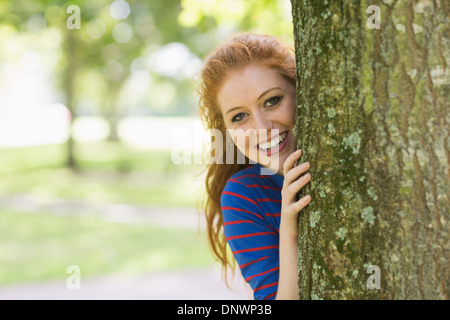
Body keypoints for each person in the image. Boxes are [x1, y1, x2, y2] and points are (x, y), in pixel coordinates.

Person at [196, 32, 312, 300]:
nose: (261, 129)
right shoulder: (245, 195)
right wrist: (289, 230)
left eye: (272, 101)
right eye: (240, 117)